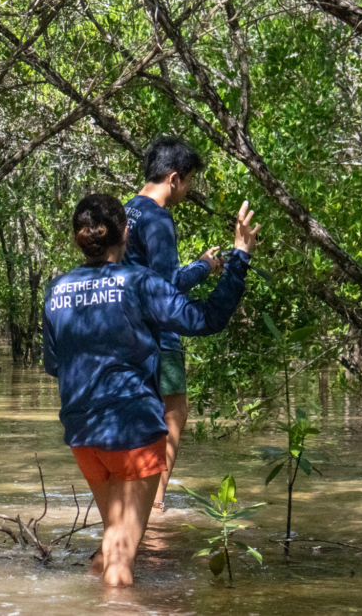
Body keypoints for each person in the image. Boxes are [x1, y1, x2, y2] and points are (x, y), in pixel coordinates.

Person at [43, 193, 259, 586]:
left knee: (112, 547)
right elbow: (206, 318)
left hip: (82, 435)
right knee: (123, 564)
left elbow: (54, 365)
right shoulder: (139, 282)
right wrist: (240, 256)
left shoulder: (56, 289)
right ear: (125, 232)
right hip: (133, 432)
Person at [122, 137, 222, 512]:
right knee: (174, 410)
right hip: (157, 330)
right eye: (191, 181)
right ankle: (156, 499)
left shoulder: (123, 210)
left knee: (140, 410)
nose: (189, 190)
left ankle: (131, 493)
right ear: (175, 178)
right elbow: (168, 289)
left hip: (124, 329)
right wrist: (206, 267)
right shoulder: (158, 217)